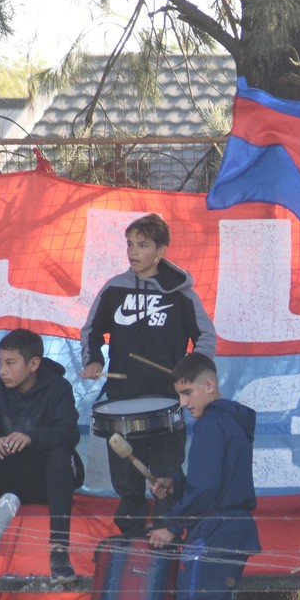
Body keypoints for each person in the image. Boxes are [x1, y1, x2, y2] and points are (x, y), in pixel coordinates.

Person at [81, 213, 217, 535]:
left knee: (168, 476)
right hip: (122, 399)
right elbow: (92, 331)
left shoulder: (181, 294)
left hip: (167, 400)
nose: (133, 251)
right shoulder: (114, 289)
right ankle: (130, 543)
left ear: (161, 251)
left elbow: (206, 337)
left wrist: (189, 374)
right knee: (127, 484)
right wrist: (94, 360)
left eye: (142, 245)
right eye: (130, 244)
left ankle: (166, 536)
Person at [146, 353, 260, 600]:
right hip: (237, 529)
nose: (183, 403)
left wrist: (172, 523)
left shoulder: (210, 423)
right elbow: (219, 479)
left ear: (209, 385)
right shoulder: (234, 420)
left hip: (211, 532)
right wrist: (178, 485)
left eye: (187, 392)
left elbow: (209, 486)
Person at [0, 329, 82, 579]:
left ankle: (59, 552)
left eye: (10, 363)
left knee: (60, 455)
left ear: (33, 363)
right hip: (7, 479)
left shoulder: (59, 387)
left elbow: (68, 432)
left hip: (45, 481)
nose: (3, 370)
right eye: (0, 363)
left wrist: (32, 438)